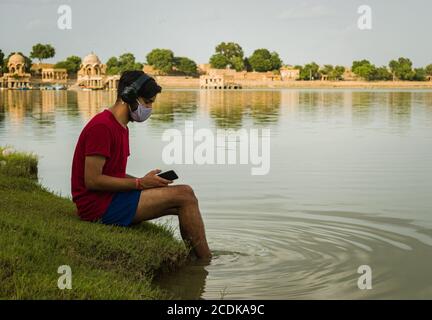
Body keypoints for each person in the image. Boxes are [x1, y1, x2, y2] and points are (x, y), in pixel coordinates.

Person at [71, 70, 211, 259]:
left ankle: (196, 258)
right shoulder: (102, 127)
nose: (150, 108)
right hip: (97, 207)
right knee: (184, 194)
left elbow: (114, 172)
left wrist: (145, 180)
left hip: (111, 198)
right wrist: (139, 185)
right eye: (147, 102)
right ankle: (206, 262)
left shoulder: (121, 127)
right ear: (129, 97)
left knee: (186, 201)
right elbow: (93, 180)